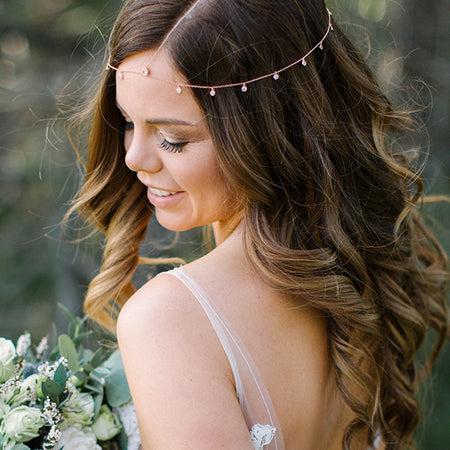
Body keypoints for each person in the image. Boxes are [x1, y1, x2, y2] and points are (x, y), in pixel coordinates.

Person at [67, 0, 449, 448]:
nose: (133, 159)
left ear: (266, 132)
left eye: (172, 139)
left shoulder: (168, 319)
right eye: (129, 122)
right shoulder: (359, 278)